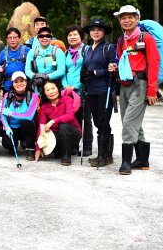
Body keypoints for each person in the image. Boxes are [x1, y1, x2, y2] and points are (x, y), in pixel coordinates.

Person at [110, 5, 159, 175]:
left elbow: (154, 63)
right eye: (123, 18)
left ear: (137, 19)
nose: (127, 20)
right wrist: (114, 67)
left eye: (130, 17)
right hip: (124, 84)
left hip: (140, 84)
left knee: (129, 122)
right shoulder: (121, 40)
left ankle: (126, 162)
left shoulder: (146, 38)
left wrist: (152, 90)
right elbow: (121, 60)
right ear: (120, 21)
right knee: (130, 122)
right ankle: (142, 160)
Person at [81, 18, 117, 168]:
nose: (96, 32)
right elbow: (84, 67)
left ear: (103, 32)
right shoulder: (88, 49)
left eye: (99, 29)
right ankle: (106, 155)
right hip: (90, 91)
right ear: (90, 32)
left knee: (103, 122)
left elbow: (112, 69)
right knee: (97, 122)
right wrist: (83, 76)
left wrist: (96, 72)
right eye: (93, 30)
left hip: (104, 90)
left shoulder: (108, 48)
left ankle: (103, 156)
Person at [62, 25, 93, 157]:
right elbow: (63, 71)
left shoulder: (87, 50)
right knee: (72, 117)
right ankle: (74, 145)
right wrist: (66, 86)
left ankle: (87, 146)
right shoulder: (66, 53)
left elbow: (88, 71)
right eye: (70, 35)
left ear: (81, 36)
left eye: (75, 34)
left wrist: (75, 86)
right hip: (68, 91)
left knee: (85, 118)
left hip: (83, 89)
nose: (72, 37)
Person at [37, 80, 82, 165]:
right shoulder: (44, 107)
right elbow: (41, 127)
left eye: (53, 88)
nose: (51, 92)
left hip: (73, 133)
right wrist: (38, 148)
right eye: (48, 90)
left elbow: (70, 116)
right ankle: (60, 150)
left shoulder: (67, 99)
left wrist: (53, 121)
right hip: (57, 135)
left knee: (63, 126)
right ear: (44, 93)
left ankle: (66, 155)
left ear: (58, 89)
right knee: (50, 136)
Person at [0, 71, 39, 161]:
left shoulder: (33, 96)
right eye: (16, 82)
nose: (19, 84)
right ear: (12, 84)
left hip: (26, 127)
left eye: (22, 81)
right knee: (7, 143)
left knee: (27, 123)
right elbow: (3, 114)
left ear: (26, 82)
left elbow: (29, 116)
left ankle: (30, 148)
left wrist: (11, 114)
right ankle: (13, 146)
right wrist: (6, 127)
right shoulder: (7, 96)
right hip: (12, 127)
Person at [25, 26, 66, 91]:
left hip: (54, 88)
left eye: (47, 36)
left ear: (51, 37)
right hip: (37, 86)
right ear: (38, 37)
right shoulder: (32, 52)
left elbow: (62, 70)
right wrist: (34, 76)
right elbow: (27, 69)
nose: (45, 38)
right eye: (41, 36)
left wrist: (47, 77)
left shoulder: (58, 51)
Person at [0, 27, 28, 93]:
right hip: (8, 86)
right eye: (10, 38)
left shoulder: (27, 51)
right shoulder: (3, 52)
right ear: (6, 39)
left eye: (15, 37)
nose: (12, 40)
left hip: (24, 86)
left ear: (19, 38)